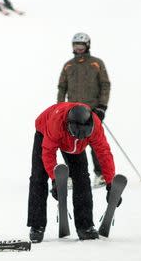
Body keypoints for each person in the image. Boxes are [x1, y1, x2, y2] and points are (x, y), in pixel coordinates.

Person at [27, 102, 116, 243]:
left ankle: (85, 226)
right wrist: (55, 179)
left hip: (76, 147)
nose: (78, 137)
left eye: (83, 135)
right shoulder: (56, 123)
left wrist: (111, 183)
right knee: (38, 176)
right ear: (68, 126)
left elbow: (104, 153)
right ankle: (36, 225)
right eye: (76, 134)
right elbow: (48, 153)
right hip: (44, 132)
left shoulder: (96, 127)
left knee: (82, 178)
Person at [57, 32, 111, 187]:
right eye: (76, 45)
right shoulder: (68, 65)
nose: (78, 48)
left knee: (95, 143)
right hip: (72, 112)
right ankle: (74, 175)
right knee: (71, 143)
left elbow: (105, 85)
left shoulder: (96, 63)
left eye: (81, 45)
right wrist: (60, 107)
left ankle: (100, 174)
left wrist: (102, 106)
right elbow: (62, 88)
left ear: (87, 46)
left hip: (92, 110)